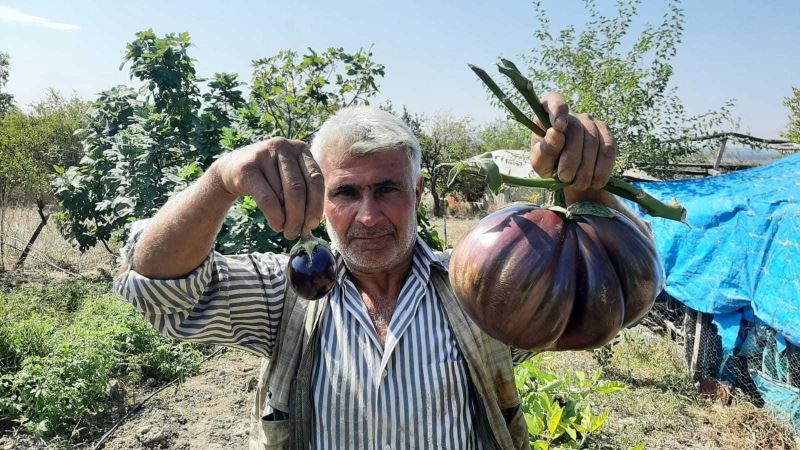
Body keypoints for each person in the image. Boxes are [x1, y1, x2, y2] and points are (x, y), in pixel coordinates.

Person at [114, 93, 652, 450]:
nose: (368, 216)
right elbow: (158, 291)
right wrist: (218, 181)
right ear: (322, 198)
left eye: (388, 189)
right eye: (346, 192)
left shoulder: (481, 290)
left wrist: (587, 193)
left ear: (418, 193)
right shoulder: (287, 292)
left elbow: (612, 296)